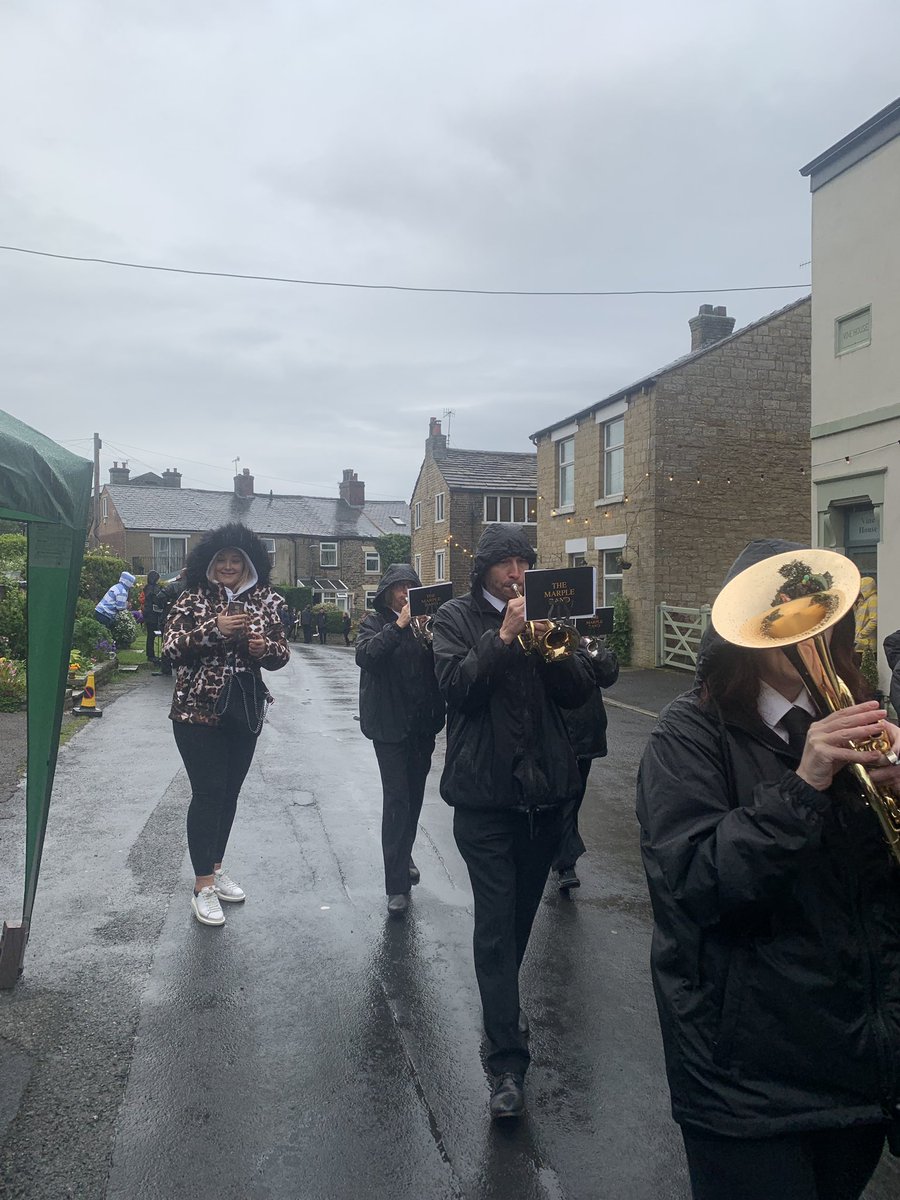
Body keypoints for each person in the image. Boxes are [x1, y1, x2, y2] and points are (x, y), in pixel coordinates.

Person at [636, 539, 900, 1200]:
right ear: (742, 637)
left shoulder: (866, 723)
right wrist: (805, 784)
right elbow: (694, 883)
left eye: (821, 616)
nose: (808, 634)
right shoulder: (686, 736)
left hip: (856, 1069)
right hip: (745, 1088)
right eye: (779, 621)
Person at [430, 524, 594, 1120]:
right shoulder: (454, 618)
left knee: (518, 923)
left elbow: (577, 693)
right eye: (506, 562)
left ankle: (503, 1008)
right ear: (486, 571)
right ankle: (506, 1063)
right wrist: (502, 637)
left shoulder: (552, 616)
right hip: (485, 800)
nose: (518, 571)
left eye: (524, 560)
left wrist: (557, 646)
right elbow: (456, 688)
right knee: (497, 929)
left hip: (545, 797)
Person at [164, 523, 289, 927]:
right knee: (208, 791)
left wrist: (262, 647)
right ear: (211, 563)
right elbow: (170, 649)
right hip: (196, 711)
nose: (229, 566)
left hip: (245, 708)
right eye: (222, 560)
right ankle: (202, 886)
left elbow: (281, 653)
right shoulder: (191, 598)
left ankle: (215, 869)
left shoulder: (267, 600)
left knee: (230, 792)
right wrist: (213, 630)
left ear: (249, 564)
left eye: (237, 560)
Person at [355, 564, 445, 916]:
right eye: (399, 587)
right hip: (388, 727)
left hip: (422, 725)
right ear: (388, 592)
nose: (405, 591)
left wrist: (434, 638)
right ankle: (396, 886)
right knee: (396, 801)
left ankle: (403, 852)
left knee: (415, 796)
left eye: (411, 586)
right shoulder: (374, 623)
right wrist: (400, 624)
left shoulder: (429, 623)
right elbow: (368, 657)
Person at [553, 636, 619, 891]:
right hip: (554, 730)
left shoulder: (588, 634)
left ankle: (560, 854)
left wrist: (589, 645)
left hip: (584, 730)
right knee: (564, 798)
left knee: (574, 797)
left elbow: (608, 675)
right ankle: (564, 862)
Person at [141, 571, 162, 663]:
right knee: (156, 635)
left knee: (150, 636)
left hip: (147, 613)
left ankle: (150, 655)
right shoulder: (156, 589)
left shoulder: (146, 588)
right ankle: (155, 655)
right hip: (155, 614)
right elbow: (159, 600)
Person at [854, 575, 877, 658]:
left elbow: (874, 620)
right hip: (861, 643)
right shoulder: (863, 601)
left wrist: (861, 634)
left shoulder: (873, 599)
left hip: (868, 643)